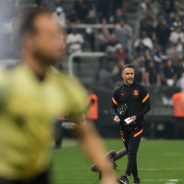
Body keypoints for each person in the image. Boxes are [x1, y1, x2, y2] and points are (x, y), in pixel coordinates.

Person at [0, 8, 116, 184]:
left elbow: (86, 134)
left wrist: (108, 175)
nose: (59, 41)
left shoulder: (65, 85)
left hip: (40, 174)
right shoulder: (7, 82)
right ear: (29, 41)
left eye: (59, 34)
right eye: (50, 35)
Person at [111, 64, 151, 184]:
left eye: (131, 74)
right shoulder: (117, 91)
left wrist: (136, 116)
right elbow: (113, 108)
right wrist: (116, 116)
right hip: (123, 127)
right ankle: (137, 179)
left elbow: (148, 107)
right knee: (130, 154)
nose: (130, 76)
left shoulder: (141, 89)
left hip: (136, 126)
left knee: (132, 152)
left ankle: (125, 177)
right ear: (122, 75)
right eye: (127, 74)